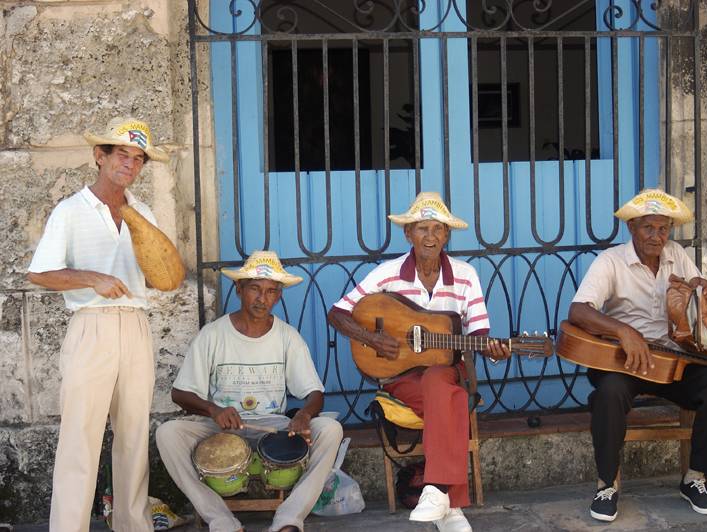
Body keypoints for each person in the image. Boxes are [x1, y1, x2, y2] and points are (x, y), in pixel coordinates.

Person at [327, 192, 510, 532]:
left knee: (442, 383)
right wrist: (371, 338)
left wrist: (494, 350)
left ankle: (437, 492)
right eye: (421, 228)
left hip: (449, 370)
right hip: (400, 375)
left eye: (437, 229)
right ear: (407, 234)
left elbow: (480, 335)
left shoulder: (466, 275)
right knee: (452, 399)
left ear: (447, 235)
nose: (430, 236)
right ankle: (451, 504)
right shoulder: (387, 273)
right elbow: (337, 313)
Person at [27, 116, 170, 531]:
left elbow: (162, 274)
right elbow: (40, 273)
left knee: (132, 435)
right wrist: (92, 278)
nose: (130, 164)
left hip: (136, 326)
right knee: (80, 438)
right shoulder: (71, 210)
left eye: (138, 158)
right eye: (121, 154)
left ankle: (132, 524)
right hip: (90, 325)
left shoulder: (142, 212)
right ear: (99, 156)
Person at [567, 189, 707, 522]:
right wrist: (623, 331)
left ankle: (696, 477)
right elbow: (578, 311)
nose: (656, 236)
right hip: (623, 361)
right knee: (608, 393)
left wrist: (702, 292)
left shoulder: (677, 254)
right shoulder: (611, 261)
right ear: (632, 227)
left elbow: (696, 299)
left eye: (663, 229)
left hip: (671, 360)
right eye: (648, 228)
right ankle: (607, 485)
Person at [156, 250, 343, 532]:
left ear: (278, 295)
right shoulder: (214, 334)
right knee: (167, 433)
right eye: (255, 288)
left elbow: (314, 393)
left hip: (273, 425)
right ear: (239, 288)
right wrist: (214, 410)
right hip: (220, 426)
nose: (262, 298)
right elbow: (180, 394)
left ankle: (288, 520)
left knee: (330, 429)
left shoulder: (287, 337)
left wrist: (304, 415)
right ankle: (222, 522)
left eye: (270, 291)